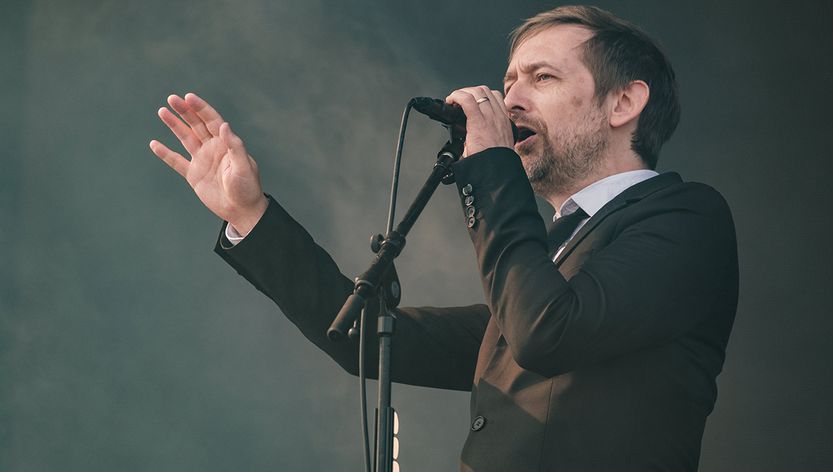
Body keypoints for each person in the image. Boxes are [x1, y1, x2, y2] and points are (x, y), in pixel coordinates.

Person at [150, 5, 738, 472]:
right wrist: (250, 215)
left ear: (624, 103)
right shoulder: (552, 259)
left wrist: (492, 167)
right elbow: (364, 336)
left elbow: (545, 331)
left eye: (542, 77)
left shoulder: (685, 217)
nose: (510, 99)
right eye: (509, 80)